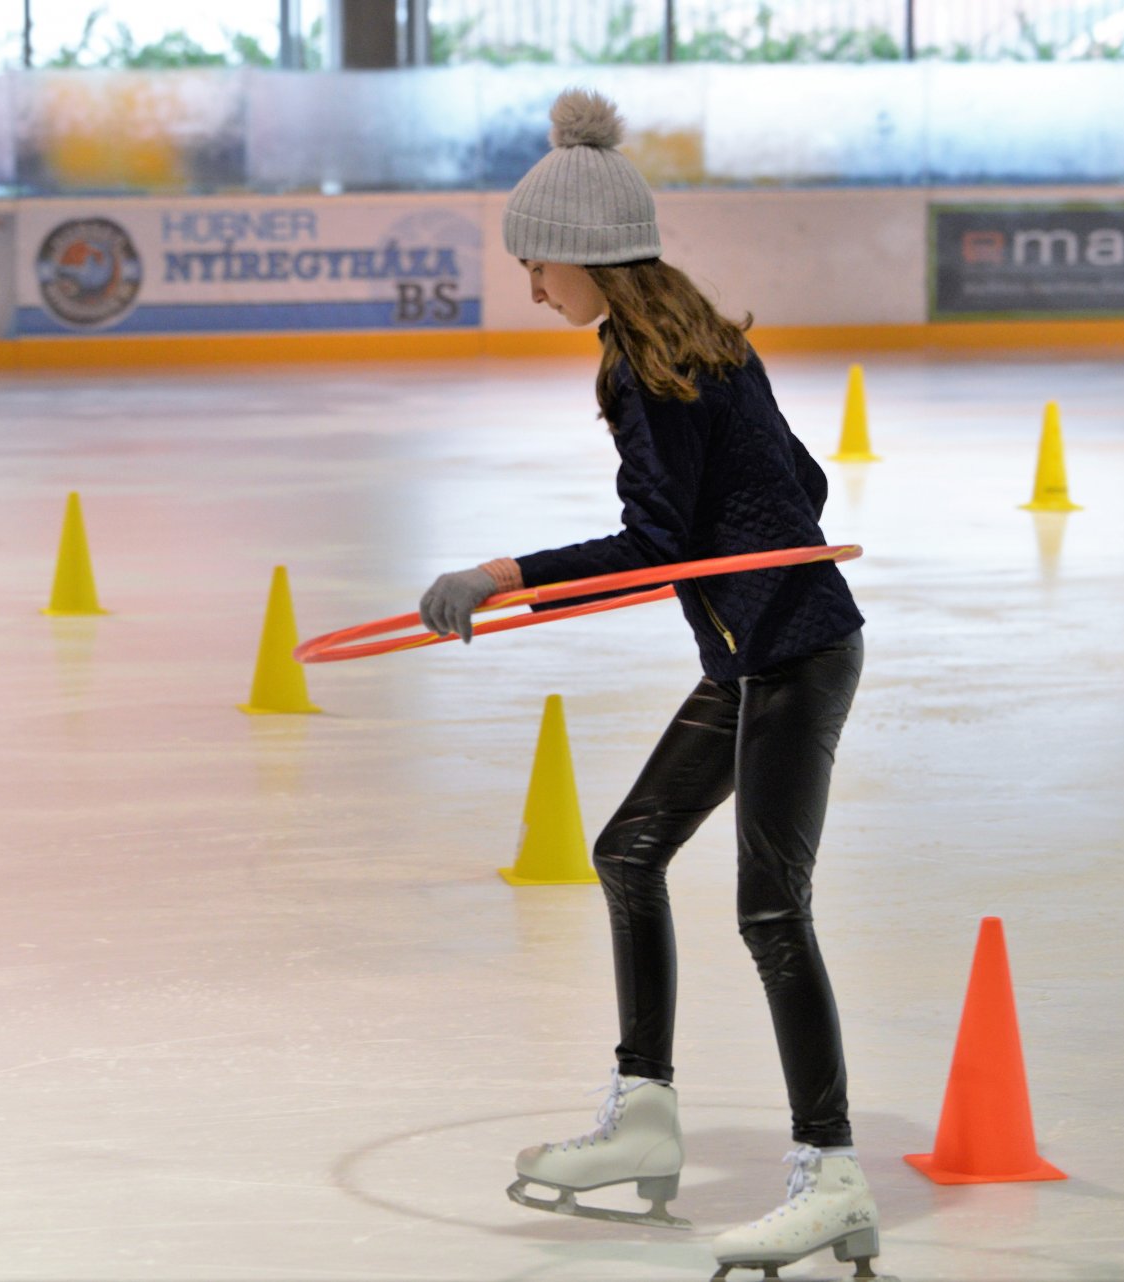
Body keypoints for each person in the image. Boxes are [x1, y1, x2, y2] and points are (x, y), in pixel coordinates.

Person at [418, 90, 881, 1281]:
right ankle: (646, 1111)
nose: (533, 288)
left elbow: (654, 546)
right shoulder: (705, 337)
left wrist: (501, 575)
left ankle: (831, 1172)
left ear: (584, 255)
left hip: (791, 654)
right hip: (760, 650)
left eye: (537, 265)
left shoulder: (642, 368)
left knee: (770, 910)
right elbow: (806, 483)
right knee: (629, 850)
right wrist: (753, 553)